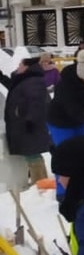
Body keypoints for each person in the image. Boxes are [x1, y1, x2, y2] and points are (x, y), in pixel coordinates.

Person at [49, 50, 84, 199]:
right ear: (82, 77)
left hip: (79, 121)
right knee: (65, 156)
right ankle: (63, 193)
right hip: (60, 123)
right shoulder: (65, 88)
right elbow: (74, 113)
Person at [4, 58, 52, 188]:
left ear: (27, 67)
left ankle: (40, 183)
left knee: (32, 153)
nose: (18, 67)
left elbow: (35, 102)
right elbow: (15, 88)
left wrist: (30, 120)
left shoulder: (33, 81)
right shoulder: (26, 80)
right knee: (31, 153)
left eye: (20, 65)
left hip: (28, 123)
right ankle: (39, 181)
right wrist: (2, 78)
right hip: (23, 122)